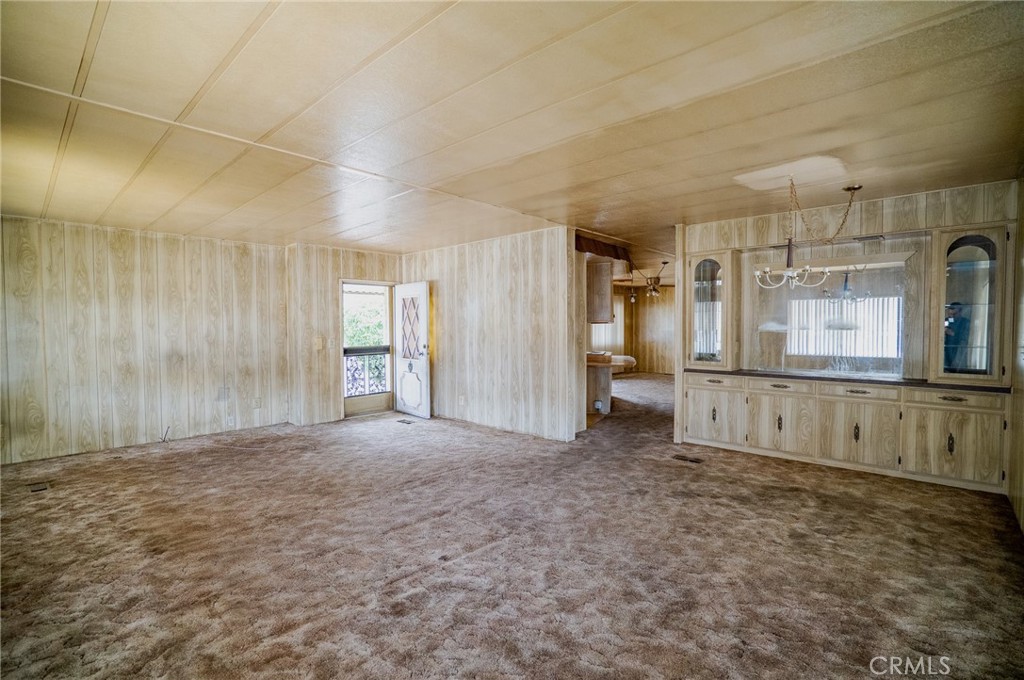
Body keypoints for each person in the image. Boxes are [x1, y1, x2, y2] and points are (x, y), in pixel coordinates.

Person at [944, 302, 969, 371]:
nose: (951, 317)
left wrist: (953, 334)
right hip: (947, 349)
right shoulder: (947, 320)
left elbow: (966, 337)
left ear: (960, 311)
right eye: (950, 314)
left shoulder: (965, 322)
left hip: (959, 350)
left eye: (954, 314)